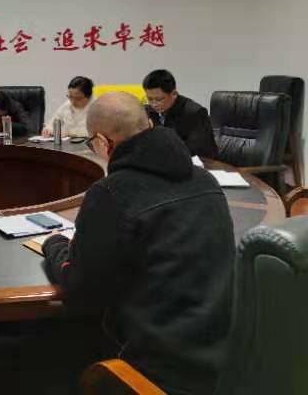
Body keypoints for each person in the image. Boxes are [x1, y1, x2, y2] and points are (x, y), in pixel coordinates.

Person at [42, 92, 235, 395]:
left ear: (103, 142)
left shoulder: (111, 193)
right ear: (149, 125)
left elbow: (81, 292)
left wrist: (54, 245)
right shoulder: (205, 180)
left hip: (154, 370)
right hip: (222, 360)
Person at [143, 69, 219, 159]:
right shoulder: (148, 111)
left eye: (159, 99)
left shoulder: (194, 113)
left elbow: (200, 151)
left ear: (174, 94)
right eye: (150, 99)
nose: (154, 104)